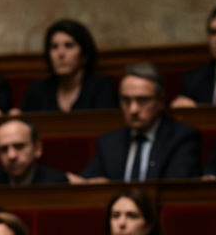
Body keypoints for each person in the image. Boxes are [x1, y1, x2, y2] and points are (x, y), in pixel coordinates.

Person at [72, 63, 202, 183]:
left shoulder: (181, 139)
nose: (133, 109)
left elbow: (175, 189)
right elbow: (88, 185)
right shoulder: (108, 143)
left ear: (161, 102)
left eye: (143, 100)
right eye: (126, 100)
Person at [19, 19, 118, 113]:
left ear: (84, 54)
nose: (61, 53)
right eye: (54, 47)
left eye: (69, 45)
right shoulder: (36, 92)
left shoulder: (100, 88)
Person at [0, 119, 68, 186]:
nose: (11, 156)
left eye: (19, 146)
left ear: (37, 149)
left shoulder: (57, 184)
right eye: (4, 149)